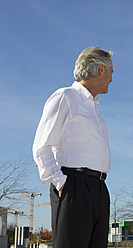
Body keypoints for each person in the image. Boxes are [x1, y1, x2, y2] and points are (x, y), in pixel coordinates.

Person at [32, 46, 114, 248]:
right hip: (74, 186)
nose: (112, 78)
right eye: (112, 71)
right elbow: (41, 146)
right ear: (101, 69)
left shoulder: (93, 106)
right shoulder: (65, 97)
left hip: (99, 188)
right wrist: (60, 183)